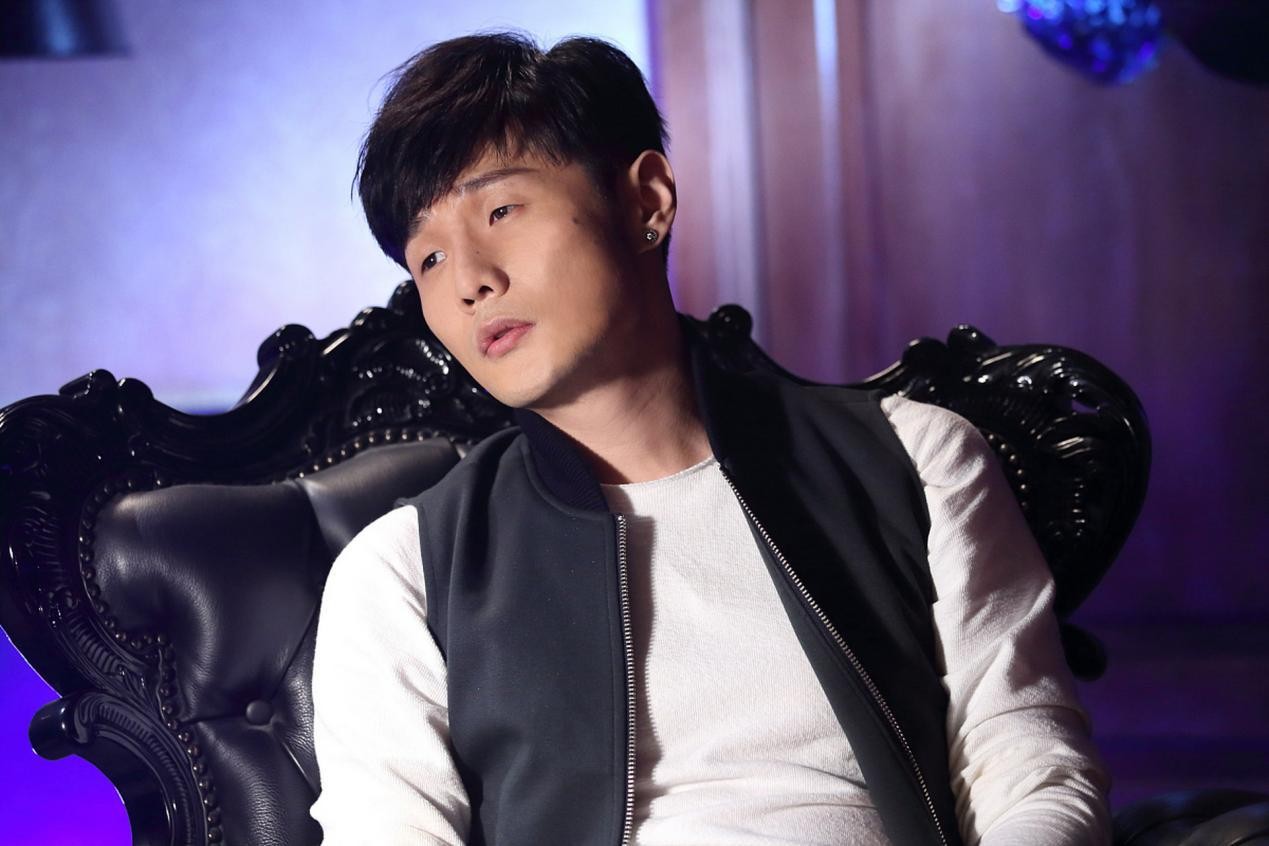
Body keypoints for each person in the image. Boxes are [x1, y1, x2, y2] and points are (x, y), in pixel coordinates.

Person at [308, 31, 1111, 846]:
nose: (470, 281)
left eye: (500, 211)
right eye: (428, 258)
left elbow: (1029, 770)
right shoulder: (404, 572)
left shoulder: (914, 461)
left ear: (646, 202)